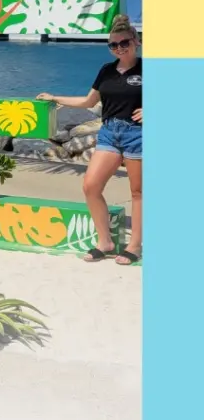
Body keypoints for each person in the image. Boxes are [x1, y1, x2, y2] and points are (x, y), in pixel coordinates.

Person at [37, 15, 142, 265]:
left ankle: (134, 245)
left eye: (124, 43)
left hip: (137, 134)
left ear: (136, 41)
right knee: (91, 186)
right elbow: (89, 102)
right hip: (109, 133)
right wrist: (55, 97)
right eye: (113, 45)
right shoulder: (106, 70)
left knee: (138, 192)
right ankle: (104, 242)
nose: (119, 49)